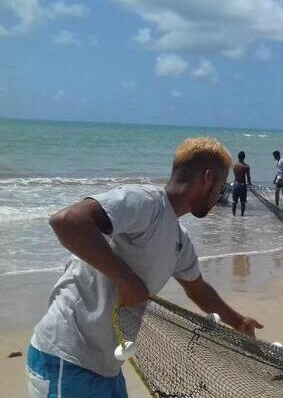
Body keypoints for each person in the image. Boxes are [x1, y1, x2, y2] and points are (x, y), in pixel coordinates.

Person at [27, 138, 263, 398]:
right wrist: (125, 279)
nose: (221, 194)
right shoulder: (145, 202)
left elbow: (197, 289)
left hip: (107, 368)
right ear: (207, 178)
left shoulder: (179, 240)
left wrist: (237, 321)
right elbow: (68, 222)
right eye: (221, 186)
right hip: (65, 355)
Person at [231, 151, 251, 217]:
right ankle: (242, 216)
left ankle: (233, 216)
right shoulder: (246, 166)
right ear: (244, 157)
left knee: (234, 201)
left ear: (238, 157)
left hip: (235, 185)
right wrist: (249, 183)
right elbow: (248, 178)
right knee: (242, 202)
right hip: (242, 186)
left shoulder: (234, 165)